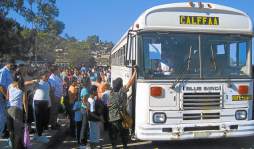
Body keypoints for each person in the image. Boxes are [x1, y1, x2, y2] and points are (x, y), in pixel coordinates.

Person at [6, 68, 37, 149]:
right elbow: (25, 102)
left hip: (8, 109)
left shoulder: (9, 86)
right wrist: (26, 113)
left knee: (11, 131)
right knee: (18, 132)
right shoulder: (23, 88)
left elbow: (7, 97)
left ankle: (13, 146)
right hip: (17, 110)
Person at [108, 67, 137, 149]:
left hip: (111, 117)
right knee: (124, 133)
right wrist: (135, 71)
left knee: (113, 134)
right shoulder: (122, 92)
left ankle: (114, 146)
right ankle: (125, 146)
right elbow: (130, 82)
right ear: (120, 85)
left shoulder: (111, 93)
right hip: (120, 117)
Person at [33, 71, 51, 143]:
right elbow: (31, 88)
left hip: (45, 102)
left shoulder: (48, 83)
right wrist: (34, 81)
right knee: (38, 119)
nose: (47, 77)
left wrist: (49, 103)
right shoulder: (38, 82)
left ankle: (40, 134)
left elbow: (48, 93)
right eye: (45, 76)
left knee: (44, 119)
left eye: (47, 76)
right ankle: (39, 135)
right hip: (38, 102)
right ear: (41, 76)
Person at [0, 58, 15, 138]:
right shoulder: (3, 71)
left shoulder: (8, 72)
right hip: (3, 97)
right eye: (11, 64)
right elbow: (1, 86)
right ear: (7, 63)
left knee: (5, 115)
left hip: (7, 96)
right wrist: (6, 95)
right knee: (2, 115)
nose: (12, 66)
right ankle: (1, 133)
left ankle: (4, 130)